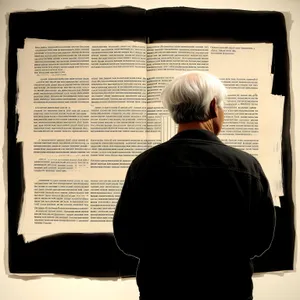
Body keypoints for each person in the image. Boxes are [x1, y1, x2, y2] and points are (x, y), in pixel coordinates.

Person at [113, 71, 276, 300]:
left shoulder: (144, 165)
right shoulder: (246, 166)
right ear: (212, 107)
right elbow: (261, 239)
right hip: (229, 292)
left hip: (161, 292)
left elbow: (126, 238)